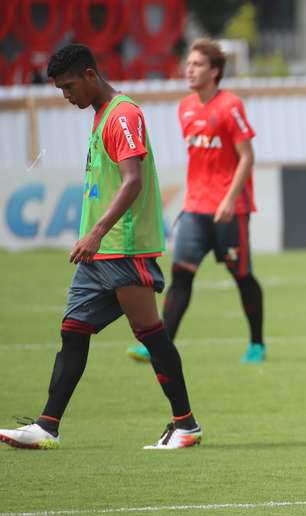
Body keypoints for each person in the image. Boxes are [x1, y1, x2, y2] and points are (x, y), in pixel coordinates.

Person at [0, 44, 201, 450]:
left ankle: (186, 426)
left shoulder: (122, 114)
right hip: (100, 253)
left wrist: (96, 231)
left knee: (150, 333)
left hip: (123, 246)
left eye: (70, 86)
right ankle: (46, 426)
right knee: (73, 332)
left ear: (91, 75)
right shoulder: (100, 117)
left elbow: (133, 181)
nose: (66, 95)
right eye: (60, 89)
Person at [126, 38, 265, 364]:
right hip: (195, 208)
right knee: (181, 274)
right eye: (188, 64)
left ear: (215, 71)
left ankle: (256, 343)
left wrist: (230, 199)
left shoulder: (230, 106)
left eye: (198, 64)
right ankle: (158, 346)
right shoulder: (185, 107)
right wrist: (190, 203)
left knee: (242, 276)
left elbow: (247, 157)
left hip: (230, 211)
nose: (189, 69)